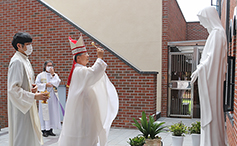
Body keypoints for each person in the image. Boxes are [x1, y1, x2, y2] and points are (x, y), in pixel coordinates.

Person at [58, 34, 119, 146]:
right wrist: (99, 58)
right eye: (85, 54)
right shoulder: (79, 71)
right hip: (82, 110)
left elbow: (92, 74)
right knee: (84, 133)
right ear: (78, 58)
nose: (88, 56)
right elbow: (93, 73)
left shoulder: (81, 70)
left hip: (84, 108)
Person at [191, 6, 228, 146]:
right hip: (212, 79)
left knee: (211, 111)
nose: (201, 23)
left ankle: (212, 142)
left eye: (202, 20)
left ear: (208, 18)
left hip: (212, 81)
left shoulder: (217, 34)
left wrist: (199, 69)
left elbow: (212, 59)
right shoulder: (216, 33)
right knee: (212, 110)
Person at [8, 32, 49, 146]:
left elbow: (24, 82)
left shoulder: (24, 59)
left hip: (27, 104)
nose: (30, 47)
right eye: (27, 44)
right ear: (19, 46)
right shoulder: (17, 61)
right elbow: (13, 89)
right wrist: (34, 96)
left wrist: (32, 87)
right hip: (21, 109)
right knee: (23, 137)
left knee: (30, 136)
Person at [35, 60, 62, 137]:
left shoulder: (54, 75)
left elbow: (57, 82)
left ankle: (50, 130)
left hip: (52, 96)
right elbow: (36, 84)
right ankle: (44, 130)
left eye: (51, 65)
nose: (50, 67)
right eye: (48, 65)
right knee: (44, 112)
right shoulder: (40, 75)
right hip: (44, 97)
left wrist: (53, 75)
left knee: (52, 112)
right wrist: (45, 85)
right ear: (45, 66)